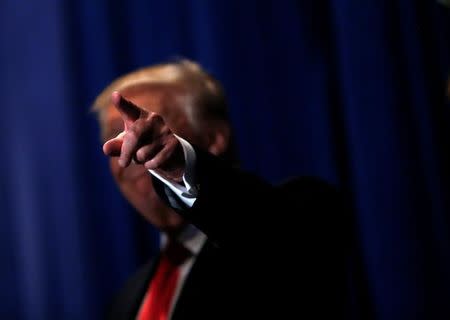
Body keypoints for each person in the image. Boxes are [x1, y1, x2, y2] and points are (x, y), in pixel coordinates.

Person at [93, 59, 349, 319]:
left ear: (213, 138)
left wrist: (178, 164)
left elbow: (260, 228)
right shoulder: (126, 298)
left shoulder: (299, 212)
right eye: (115, 135)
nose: (131, 147)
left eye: (146, 129)